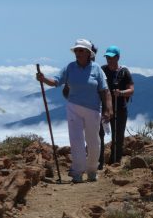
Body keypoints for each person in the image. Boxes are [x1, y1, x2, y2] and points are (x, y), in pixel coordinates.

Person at [36, 39, 112, 183]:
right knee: (76, 140)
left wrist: (108, 109)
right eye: (76, 50)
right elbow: (56, 81)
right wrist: (43, 78)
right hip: (73, 107)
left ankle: (92, 171)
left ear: (89, 53)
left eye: (81, 50)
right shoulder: (70, 68)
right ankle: (77, 172)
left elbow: (105, 91)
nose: (78, 53)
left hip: (93, 109)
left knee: (93, 141)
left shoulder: (97, 69)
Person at [98, 45, 134, 168]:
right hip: (104, 108)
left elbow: (131, 90)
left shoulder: (124, 72)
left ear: (117, 57)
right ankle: (99, 162)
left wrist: (121, 93)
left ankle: (116, 161)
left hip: (120, 108)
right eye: (107, 57)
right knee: (100, 134)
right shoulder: (102, 70)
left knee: (118, 135)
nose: (109, 59)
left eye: (111, 57)